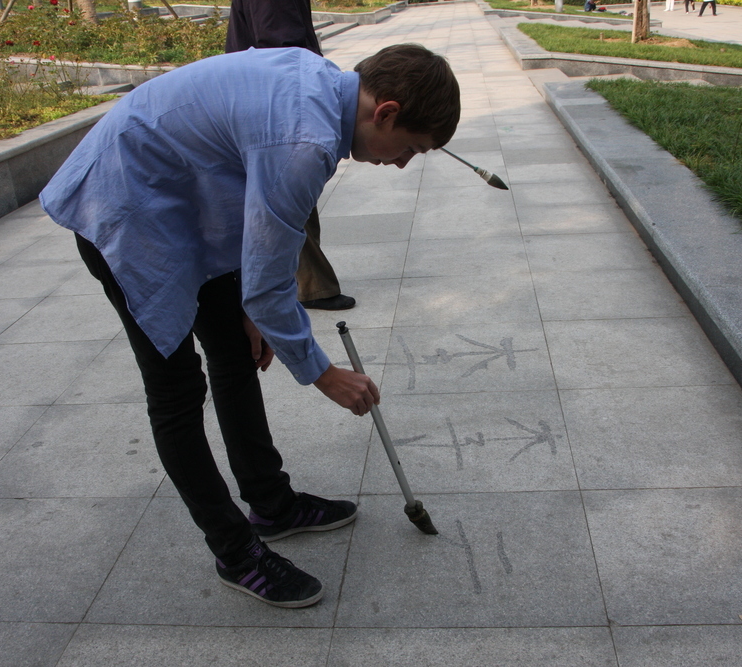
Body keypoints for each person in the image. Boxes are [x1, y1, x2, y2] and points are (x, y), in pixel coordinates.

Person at [39, 44, 460, 609]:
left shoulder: (323, 89)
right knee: (176, 389)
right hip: (123, 205)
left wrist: (251, 304)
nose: (403, 163)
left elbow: (264, 241)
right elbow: (268, 281)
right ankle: (235, 552)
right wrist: (324, 374)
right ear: (384, 112)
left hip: (181, 196)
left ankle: (272, 504)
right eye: (410, 148)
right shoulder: (306, 141)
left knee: (236, 349)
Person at [225, 0, 355, 311]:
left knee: (291, 198)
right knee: (286, 197)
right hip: (281, 105)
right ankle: (309, 285)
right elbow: (283, 49)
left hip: (273, 100)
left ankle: (301, 284)